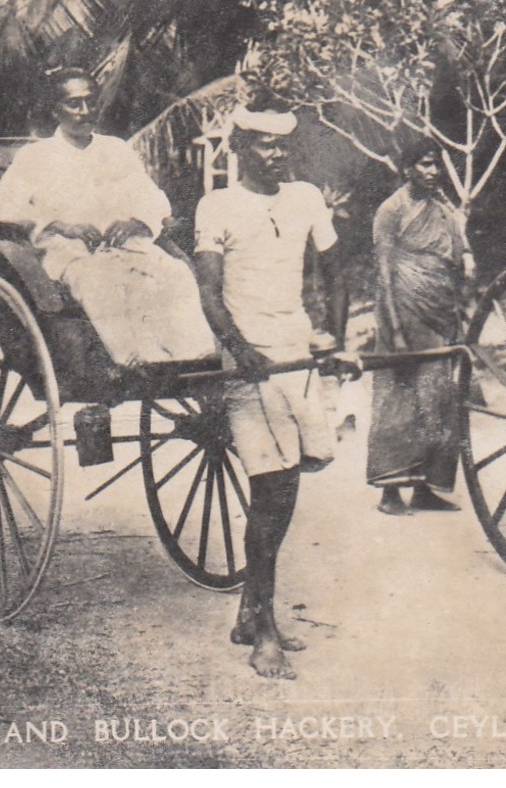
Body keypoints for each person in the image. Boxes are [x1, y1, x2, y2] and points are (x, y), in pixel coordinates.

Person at [193, 107, 347, 679]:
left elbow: (335, 267)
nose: (276, 155)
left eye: (283, 145)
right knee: (272, 486)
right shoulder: (218, 206)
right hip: (247, 358)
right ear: (239, 148)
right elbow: (208, 292)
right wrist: (239, 347)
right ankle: (264, 630)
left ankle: (248, 608)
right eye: (263, 146)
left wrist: (332, 332)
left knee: (289, 483)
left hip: (295, 349)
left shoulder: (306, 198)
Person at [0, 68, 215, 365]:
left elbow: (151, 197)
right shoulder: (35, 156)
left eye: (91, 102)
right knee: (99, 281)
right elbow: (3, 208)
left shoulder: (117, 150)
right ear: (57, 110)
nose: (85, 111)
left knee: (175, 273)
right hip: (69, 252)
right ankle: (134, 361)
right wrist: (60, 226)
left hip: (128, 246)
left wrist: (139, 221)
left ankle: (191, 358)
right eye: (74, 104)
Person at [367, 139, 470, 516]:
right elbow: (384, 272)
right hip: (404, 311)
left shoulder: (442, 209)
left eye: (435, 165)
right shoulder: (390, 211)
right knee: (400, 398)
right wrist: (393, 329)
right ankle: (390, 490)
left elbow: (456, 258)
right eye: (423, 164)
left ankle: (427, 487)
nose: (431, 171)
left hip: (440, 309)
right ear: (407, 168)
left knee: (439, 399)